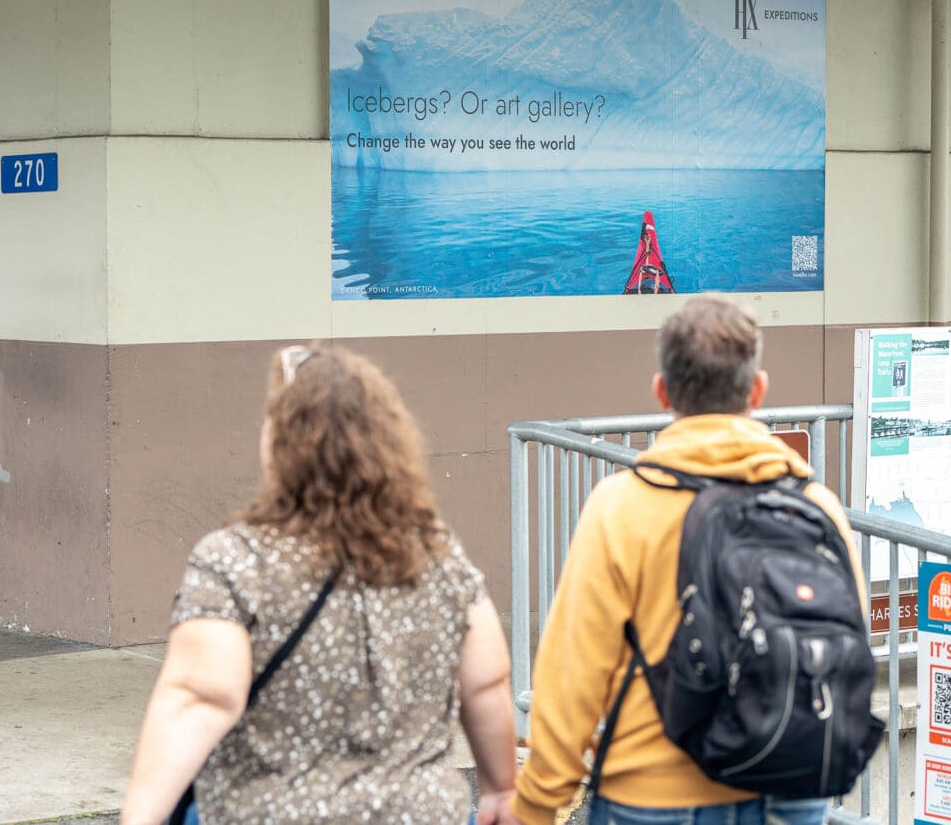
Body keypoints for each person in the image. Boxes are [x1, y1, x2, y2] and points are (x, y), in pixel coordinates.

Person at [120, 345, 520, 825]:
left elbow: (200, 698)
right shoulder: (436, 554)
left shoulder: (234, 560)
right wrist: (500, 788)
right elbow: (486, 681)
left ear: (279, 443)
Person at [512, 296, 865, 825]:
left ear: (662, 391)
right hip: (790, 789)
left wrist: (537, 804)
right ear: (758, 389)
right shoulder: (816, 505)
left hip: (653, 796)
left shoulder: (621, 506)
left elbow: (573, 678)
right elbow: (848, 645)